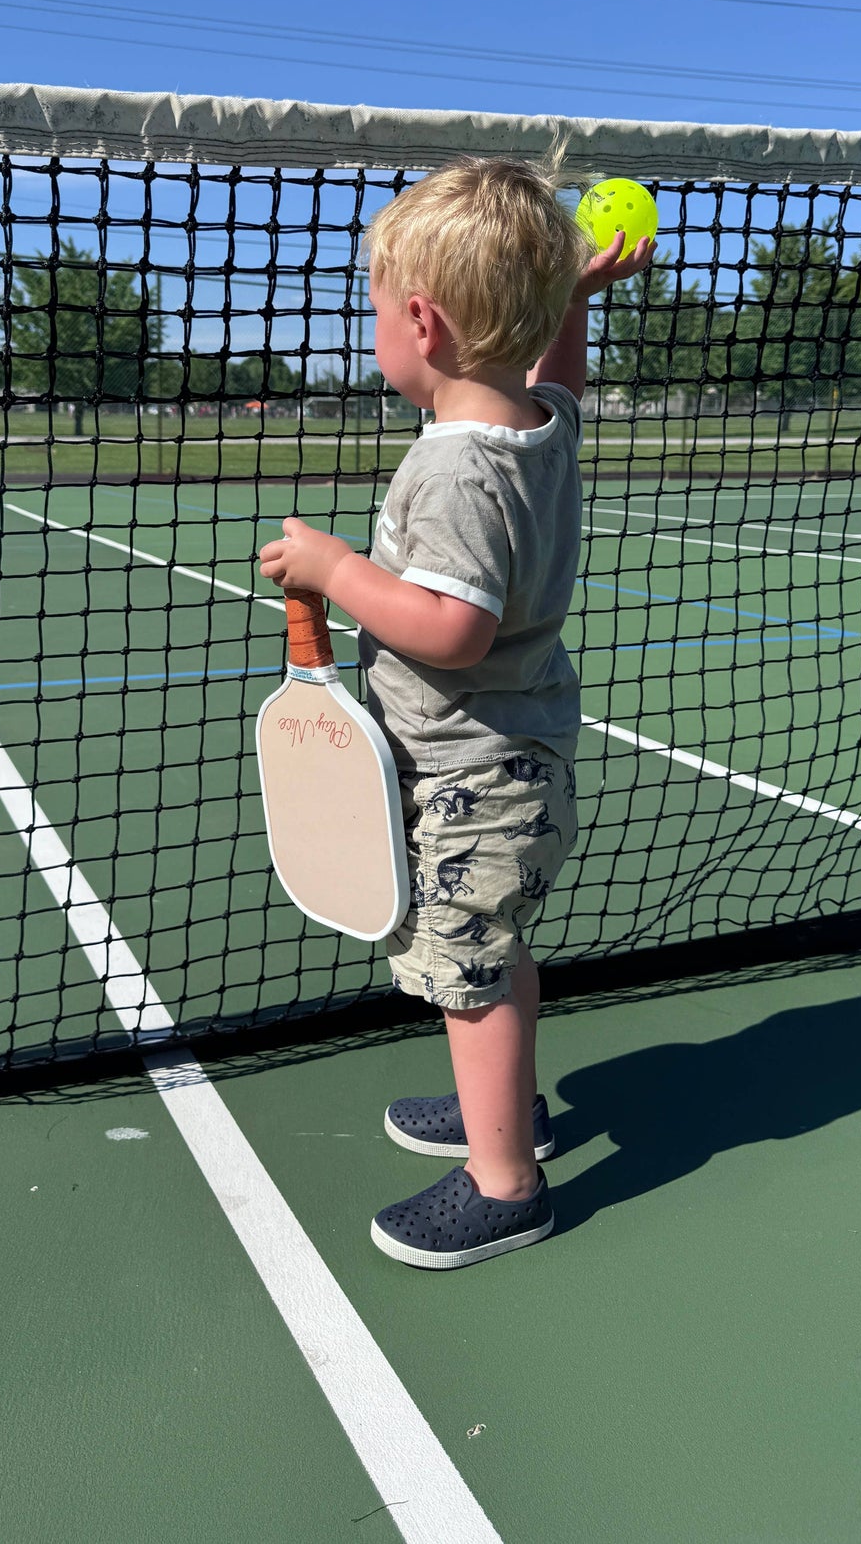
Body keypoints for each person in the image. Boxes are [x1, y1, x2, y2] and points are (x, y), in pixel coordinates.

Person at [259, 158, 653, 1268]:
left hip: (473, 777)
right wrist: (573, 300)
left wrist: (335, 567)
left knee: (463, 972)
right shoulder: (538, 427)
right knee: (494, 956)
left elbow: (450, 627)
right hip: (509, 762)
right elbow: (562, 380)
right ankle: (509, 1110)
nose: (373, 331)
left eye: (375, 311)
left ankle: (504, 1182)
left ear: (421, 323)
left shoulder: (454, 471)